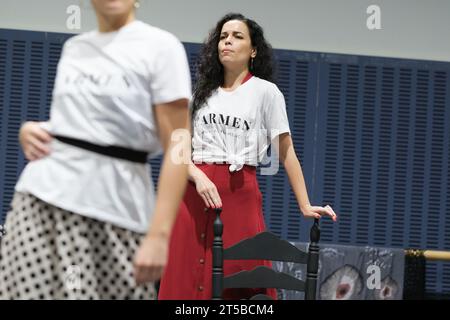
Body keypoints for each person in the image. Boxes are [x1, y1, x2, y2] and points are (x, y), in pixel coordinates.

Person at [0, 0, 191, 299]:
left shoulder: (161, 48)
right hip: (41, 199)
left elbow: (179, 146)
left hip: (116, 211)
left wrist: (159, 234)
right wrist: (34, 130)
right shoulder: (74, 48)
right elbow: (84, 124)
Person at [157, 13, 338, 300]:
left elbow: (287, 151)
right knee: (184, 279)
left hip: (239, 194)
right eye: (223, 36)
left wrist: (304, 204)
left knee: (240, 279)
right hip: (194, 194)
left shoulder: (267, 93)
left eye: (237, 36)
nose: (227, 41)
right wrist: (197, 175)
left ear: (253, 50)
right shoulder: (200, 93)